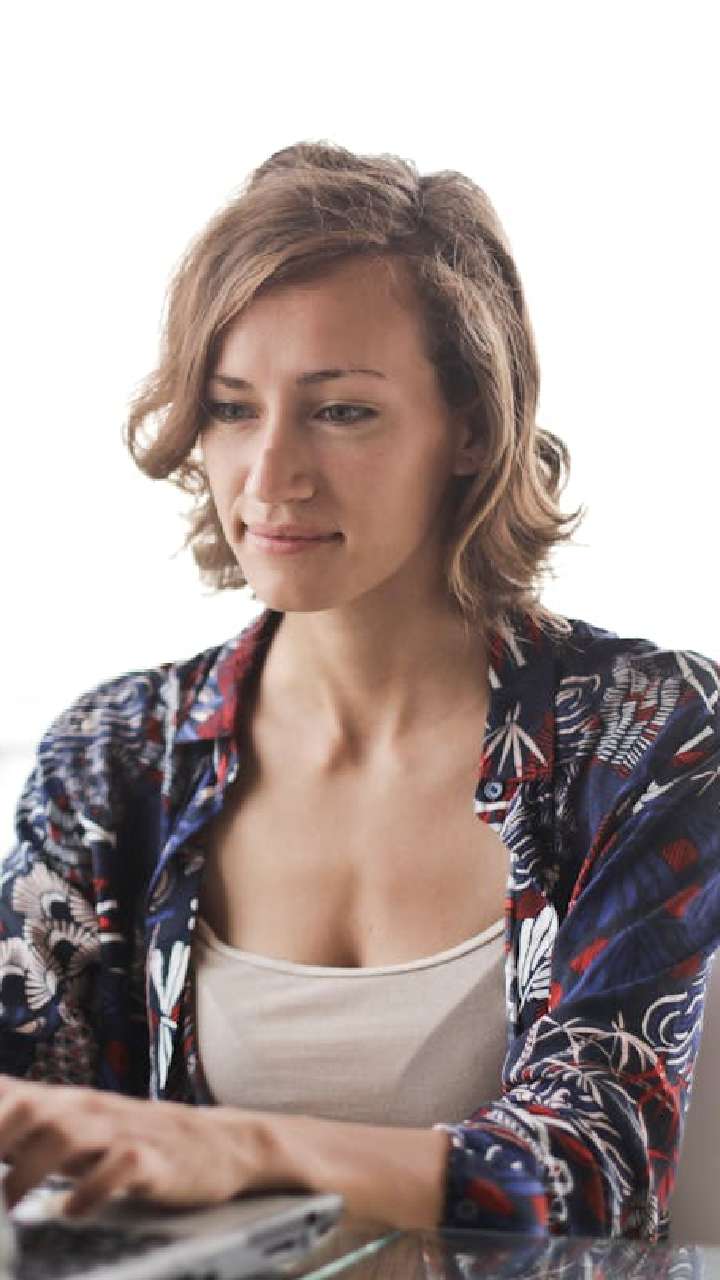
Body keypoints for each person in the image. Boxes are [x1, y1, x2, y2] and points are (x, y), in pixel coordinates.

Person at [1, 140, 718, 1242]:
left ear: (470, 427)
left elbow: (600, 1169)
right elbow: (28, 1110)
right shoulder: (116, 754)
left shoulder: (644, 731)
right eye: (232, 408)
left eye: (341, 411)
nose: (270, 475)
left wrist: (241, 1146)